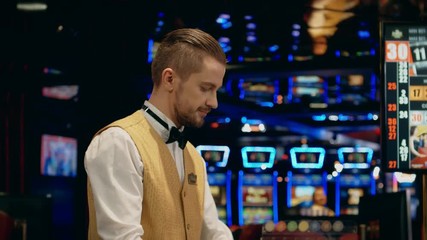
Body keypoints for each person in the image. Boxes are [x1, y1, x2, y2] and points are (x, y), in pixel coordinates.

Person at [84, 28, 234, 239]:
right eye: (205, 88)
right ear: (170, 79)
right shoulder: (119, 142)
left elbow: (213, 232)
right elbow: (122, 237)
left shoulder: (193, 155)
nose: (214, 102)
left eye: (216, 90)